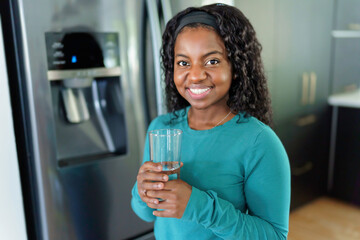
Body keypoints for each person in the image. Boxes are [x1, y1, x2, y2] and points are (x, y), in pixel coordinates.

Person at [131, 3, 290, 239]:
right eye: (183, 63)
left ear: (235, 66)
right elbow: (147, 213)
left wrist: (198, 206)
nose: (195, 75)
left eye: (212, 61)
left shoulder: (259, 142)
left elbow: (275, 236)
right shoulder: (161, 128)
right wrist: (142, 191)